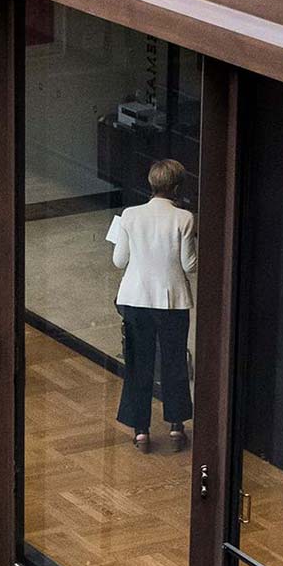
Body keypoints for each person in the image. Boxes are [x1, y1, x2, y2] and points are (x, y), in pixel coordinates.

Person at [109, 158, 196, 452]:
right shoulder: (185, 219)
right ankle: (175, 426)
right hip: (172, 300)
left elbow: (119, 260)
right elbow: (189, 264)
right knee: (174, 361)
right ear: (176, 187)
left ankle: (141, 430)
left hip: (135, 298)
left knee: (138, 363)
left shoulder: (130, 215)